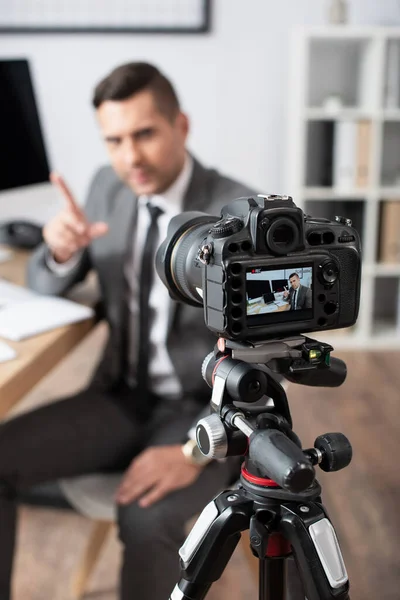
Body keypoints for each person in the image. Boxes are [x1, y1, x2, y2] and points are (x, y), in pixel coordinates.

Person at [0, 62, 256, 600]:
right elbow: (46, 282)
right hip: (118, 396)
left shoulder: (241, 215)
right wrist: (60, 253)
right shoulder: (104, 188)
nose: (130, 157)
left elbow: (266, 366)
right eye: (114, 140)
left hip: (204, 413)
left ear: (180, 126)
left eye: (144, 134)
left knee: (143, 519)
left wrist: (193, 450)